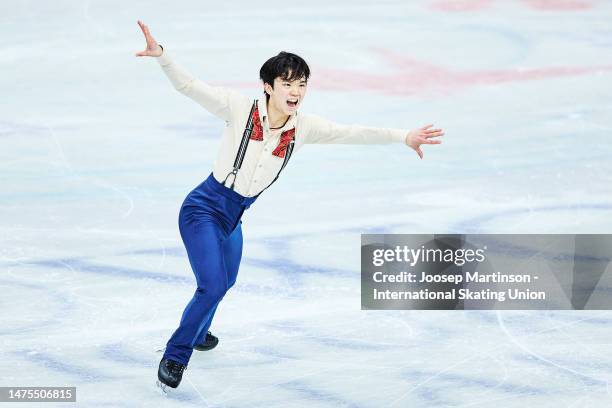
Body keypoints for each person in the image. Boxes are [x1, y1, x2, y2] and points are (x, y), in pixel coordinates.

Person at [135, 19, 444, 391]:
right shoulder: (239, 108)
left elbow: (350, 132)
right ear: (268, 87)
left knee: (226, 281)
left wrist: (402, 136)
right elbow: (190, 86)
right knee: (213, 285)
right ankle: (176, 354)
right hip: (203, 208)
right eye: (287, 84)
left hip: (235, 216)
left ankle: (200, 331)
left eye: (301, 84)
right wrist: (163, 56)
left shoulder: (303, 126)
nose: (295, 91)